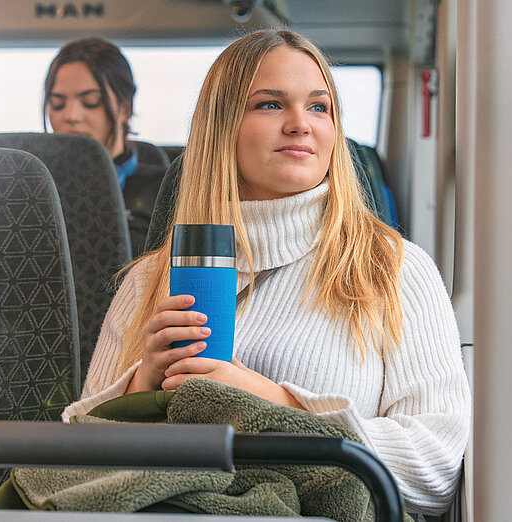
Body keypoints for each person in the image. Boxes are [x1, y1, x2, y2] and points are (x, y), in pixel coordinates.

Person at [62, 29, 470, 516]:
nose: (301, 123)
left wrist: (268, 402)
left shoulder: (393, 268)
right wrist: (140, 387)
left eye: (319, 108)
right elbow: (72, 469)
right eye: (271, 105)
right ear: (223, 126)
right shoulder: (149, 279)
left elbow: (434, 470)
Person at [43, 37, 166, 257]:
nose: (71, 116)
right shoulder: (36, 189)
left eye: (91, 101)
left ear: (125, 108)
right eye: (57, 104)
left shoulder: (166, 189)